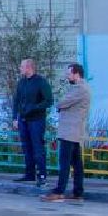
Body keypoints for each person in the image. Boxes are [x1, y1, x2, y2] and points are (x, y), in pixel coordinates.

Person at [44, 63, 92, 203]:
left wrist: (60, 105)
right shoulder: (82, 88)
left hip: (70, 131)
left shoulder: (80, 88)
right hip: (74, 132)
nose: (67, 76)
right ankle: (78, 192)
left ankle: (59, 191)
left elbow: (62, 103)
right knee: (77, 163)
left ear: (77, 73)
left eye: (69, 74)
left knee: (65, 162)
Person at [12, 59, 54, 187]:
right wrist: (15, 118)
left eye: (22, 66)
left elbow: (49, 101)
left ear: (29, 67)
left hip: (36, 120)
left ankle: (42, 175)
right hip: (23, 120)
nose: (20, 68)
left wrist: (34, 107)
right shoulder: (22, 83)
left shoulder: (41, 82)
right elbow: (16, 100)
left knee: (37, 147)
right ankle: (29, 173)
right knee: (26, 147)